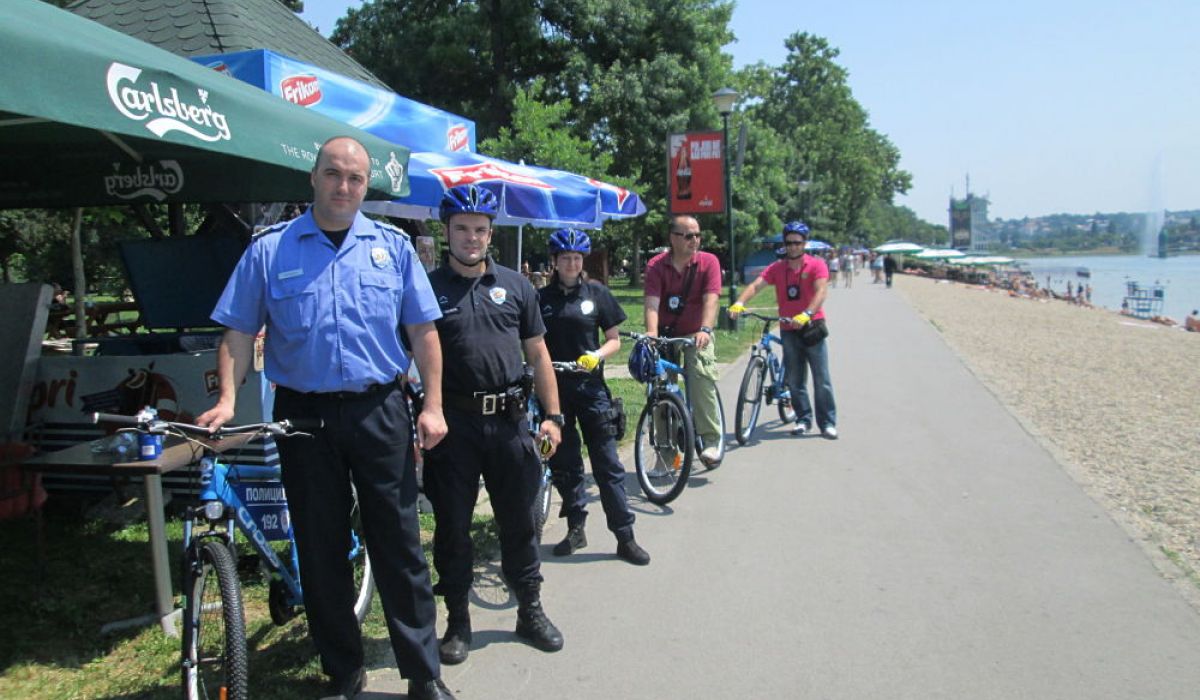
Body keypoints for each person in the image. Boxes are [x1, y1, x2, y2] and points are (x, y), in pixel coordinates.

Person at [198, 136, 455, 700]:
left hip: (380, 410)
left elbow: (423, 332)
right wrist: (225, 401)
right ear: (312, 178)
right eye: (333, 174)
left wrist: (432, 404)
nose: (344, 186)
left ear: (367, 186)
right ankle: (343, 671)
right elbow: (239, 331)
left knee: (400, 544)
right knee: (320, 547)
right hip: (304, 418)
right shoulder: (270, 250)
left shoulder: (392, 247)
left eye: (355, 178)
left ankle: (422, 673)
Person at [423, 184, 565, 667]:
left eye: (480, 229)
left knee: (520, 523)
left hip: (509, 424)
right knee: (453, 529)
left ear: (491, 233)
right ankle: (458, 620)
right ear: (447, 232)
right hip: (454, 428)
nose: (471, 238)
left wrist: (552, 415)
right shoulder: (426, 287)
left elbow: (538, 352)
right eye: (462, 228)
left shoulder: (517, 286)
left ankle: (530, 610)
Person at [538, 228, 650, 566]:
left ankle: (624, 536)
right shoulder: (540, 300)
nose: (571, 263)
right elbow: (530, 342)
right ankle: (575, 528)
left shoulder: (597, 294)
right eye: (565, 258)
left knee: (607, 464)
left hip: (591, 389)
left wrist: (597, 355)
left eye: (577, 258)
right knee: (565, 463)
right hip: (555, 392)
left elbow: (614, 339)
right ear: (554, 261)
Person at [728, 221, 838, 439]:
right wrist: (739, 302)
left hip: (812, 328)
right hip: (788, 328)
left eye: (797, 243)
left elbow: (821, 292)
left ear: (804, 244)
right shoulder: (777, 268)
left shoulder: (816, 265)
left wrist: (807, 313)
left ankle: (827, 423)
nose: (793, 247)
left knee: (821, 378)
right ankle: (803, 420)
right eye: (789, 243)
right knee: (796, 381)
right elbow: (756, 285)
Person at [643, 214, 724, 464]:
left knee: (700, 374)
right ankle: (666, 453)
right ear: (673, 238)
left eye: (698, 235)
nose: (695, 240)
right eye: (689, 236)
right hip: (666, 334)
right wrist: (652, 334)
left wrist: (705, 329)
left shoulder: (708, 262)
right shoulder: (656, 266)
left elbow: (712, 299)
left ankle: (711, 440)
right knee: (659, 387)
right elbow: (652, 303)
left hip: (695, 333)